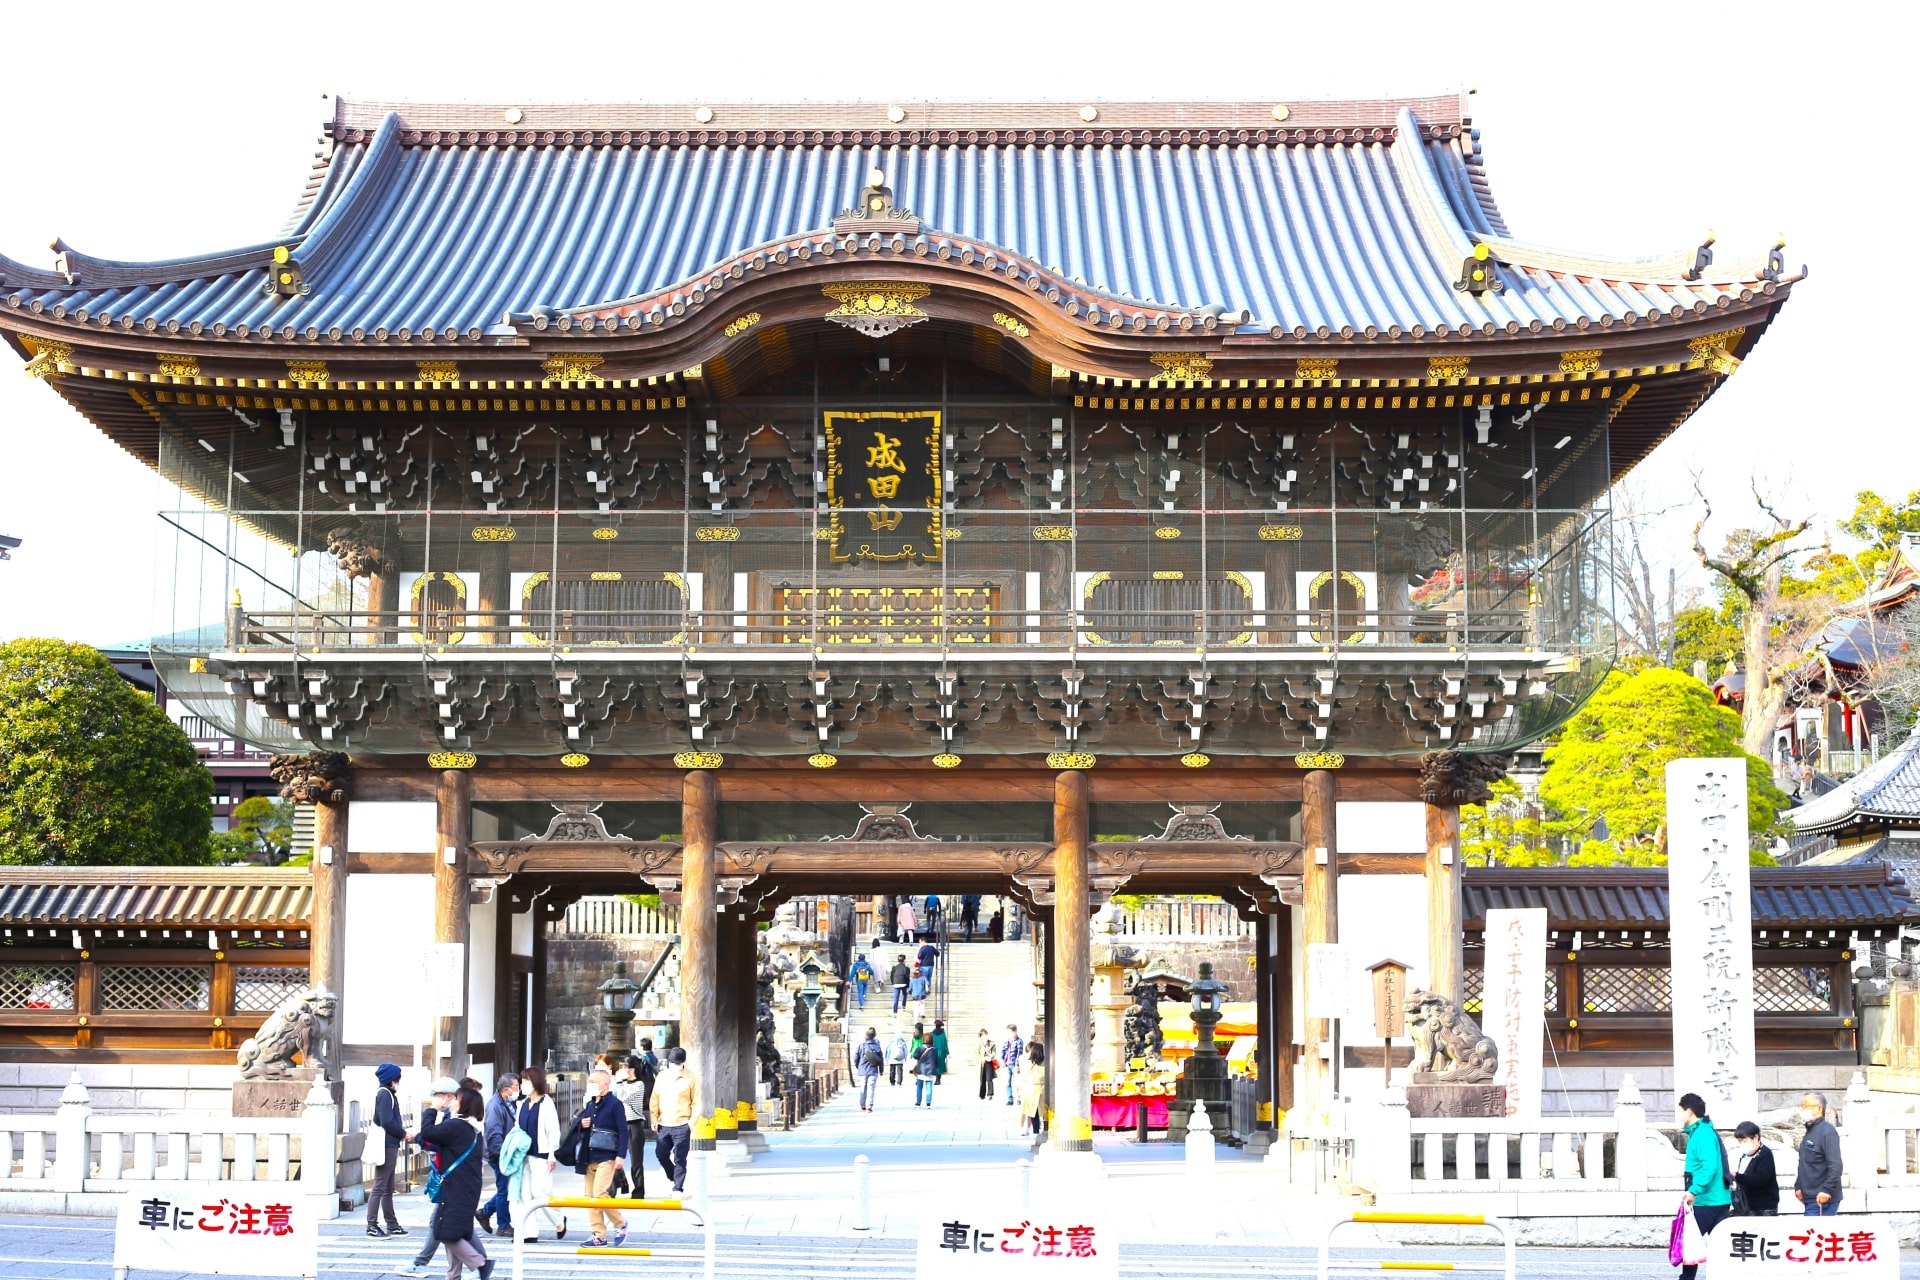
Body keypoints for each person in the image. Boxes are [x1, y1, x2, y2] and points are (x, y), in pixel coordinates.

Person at [409, 1079, 492, 1280]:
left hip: (457, 1187)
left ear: (464, 1104)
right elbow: (437, 1143)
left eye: (457, 1098)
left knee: (445, 1232)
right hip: (466, 1186)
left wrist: (433, 1109)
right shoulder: (471, 1128)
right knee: (459, 1231)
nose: (452, 1101)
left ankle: (481, 1263)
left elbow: (429, 1132)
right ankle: (453, 1276)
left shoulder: (456, 1125)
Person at [1676, 1091, 1732, 1280]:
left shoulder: (1701, 1134)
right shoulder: (1704, 1131)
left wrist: (1694, 1190)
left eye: (1681, 1111)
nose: (1680, 1115)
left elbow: (1709, 1167)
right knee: (1720, 1247)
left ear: (1689, 1112)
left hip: (1706, 1200)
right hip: (1715, 1199)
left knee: (1691, 1245)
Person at [576, 1066, 629, 1249]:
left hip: (607, 1156)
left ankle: (620, 1223)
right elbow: (586, 1129)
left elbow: (623, 1130)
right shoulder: (590, 1104)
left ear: (605, 1084)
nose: (589, 1085)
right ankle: (598, 1234)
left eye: (593, 1082)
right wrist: (582, 1125)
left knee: (599, 1194)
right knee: (591, 1197)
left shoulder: (615, 1104)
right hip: (589, 1156)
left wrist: (621, 1155)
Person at [511, 1067, 566, 1244]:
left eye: (527, 1081)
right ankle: (529, 1232)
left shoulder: (546, 1103)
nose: (523, 1084)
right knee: (524, 1195)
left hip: (541, 1154)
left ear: (536, 1082)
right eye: (523, 1081)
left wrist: (552, 1154)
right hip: (523, 1155)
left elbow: (553, 1130)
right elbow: (517, 1128)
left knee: (540, 1192)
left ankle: (558, 1220)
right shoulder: (523, 1104)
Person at [366, 1063, 408, 1238]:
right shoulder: (385, 1095)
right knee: (380, 1186)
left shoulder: (386, 1094)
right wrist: (402, 1133)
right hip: (386, 1144)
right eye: (398, 1078)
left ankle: (392, 1224)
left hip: (390, 1143)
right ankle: (372, 1225)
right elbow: (386, 1121)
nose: (399, 1081)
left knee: (387, 1187)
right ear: (392, 1079)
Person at [651, 1045, 696, 1194]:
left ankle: (678, 1187)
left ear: (683, 1062)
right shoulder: (662, 1077)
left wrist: (691, 1122)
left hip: (682, 1123)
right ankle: (672, 1174)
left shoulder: (691, 1078)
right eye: (673, 1063)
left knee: (680, 1158)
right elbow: (654, 1098)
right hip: (664, 1123)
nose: (675, 1066)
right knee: (661, 1153)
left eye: (677, 1063)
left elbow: (698, 1101)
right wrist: (654, 1118)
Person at [477, 1074, 518, 1238]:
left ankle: (485, 1212)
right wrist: (501, 1155)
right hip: (499, 1154)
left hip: (506, 1152)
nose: (518, 1089)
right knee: (504, 1190)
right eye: (516, 1086)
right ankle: (503, 1225)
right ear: (506, 1089)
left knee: (506, 1188)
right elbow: (494, 1133)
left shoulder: (507, 1103)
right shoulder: (495, 1106)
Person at [1793, 1091, 1843, 1215]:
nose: (1802, 1109)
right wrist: (1798, 1186)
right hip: (1809, 1197)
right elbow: (1805, 1163)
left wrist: (1827, 1190)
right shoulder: (1810, 1131)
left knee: (1816, 1233)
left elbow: (1835, 1166)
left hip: (1822, 1198)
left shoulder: (1827, 1132)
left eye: (1805, 1106)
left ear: (1819, 1108)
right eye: (1801, 1106)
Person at [615, 1055, 652, 1200]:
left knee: (636, 1161)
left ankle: (638, 1190)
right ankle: (617, 1186)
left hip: (634, 1125)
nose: (623, 1069)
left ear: (633, 1069)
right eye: (621, 1066)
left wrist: (620, 1081)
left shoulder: (639, 1085)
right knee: (613, 1157)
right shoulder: (621, 1083)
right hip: (620, 1125)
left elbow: (622, 1097)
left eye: (625, 1066)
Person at [1732, 1121, 1779, 1215]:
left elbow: (1760, 1179)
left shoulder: (1765, 1154)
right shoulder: (1744, 1156)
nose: (1742, 1144)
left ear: (1756, 1137)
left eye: (1745, 1141)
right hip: (1747, 1206)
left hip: (1763, 1207)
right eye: (1740, 1141)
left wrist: (1737, 1176)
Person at [1020, 1042, 1048, 1137]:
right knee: (1041, 1112)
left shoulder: (1031, 1062)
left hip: (1032, 1089)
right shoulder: (1045, 1061)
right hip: (1040, 1089)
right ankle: (1041, 1129)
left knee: (1034, 1112)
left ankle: (1036, 1131)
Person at [853, 1026, 884, 1110]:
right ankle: (869, 1106)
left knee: (863, 1087)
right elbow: (881, 1059)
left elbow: (855, 1058)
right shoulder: (877, 1046)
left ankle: (862, 1105)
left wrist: (858, 1066)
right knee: (871, 1088)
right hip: (873, 1070)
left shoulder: (861, 1046)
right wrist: (881, 1070)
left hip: (862, 1069)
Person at [912, 1030, 939, 1106]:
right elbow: (936, 1060)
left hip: (921, 1069)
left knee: (919, 1087)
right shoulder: (934, 1049)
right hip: (931, 1070)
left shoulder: (920, 1048)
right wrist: (936, 1068)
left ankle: (918, 1102)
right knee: (929, 1086)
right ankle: (928, 1102)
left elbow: (915, 1056)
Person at [1000, 1025, 1024, 1106]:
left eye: (1010, 1032)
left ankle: (1019, 1098)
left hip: (1014, 1065)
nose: (1009, 1034)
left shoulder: (1019, 1041)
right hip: (1007, 1064)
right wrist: (1003, 1060)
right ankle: (1010, 1099)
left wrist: (1018, 1065)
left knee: (1018, 1082)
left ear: (1015, 1031)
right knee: (1007, 1082)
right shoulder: (1006, 1041)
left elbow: (1019, 1054)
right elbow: (1003, 1051)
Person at [976, 1028, 998, 1101]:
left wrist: (991, 1057)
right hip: (982, 1063)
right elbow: (977, 1052)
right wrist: (983, 1057)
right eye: (983, 1035)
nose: (985, 1037)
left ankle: (990, 1094)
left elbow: (994, 1052)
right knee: (982, 1079)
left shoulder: (992, 1043)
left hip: (989, 1062)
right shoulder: (979, 1043)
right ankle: (982, 1094)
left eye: (986, 1035)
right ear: (981, 1036)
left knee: (989, 1078)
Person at [931, 1019, 950, 1084]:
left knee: (935, 1065)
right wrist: (947, 1052)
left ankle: (936, 1078)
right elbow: (945, 1043)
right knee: (940, 1065)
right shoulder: (943, 1034)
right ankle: (938, 1079)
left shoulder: (932, 1033)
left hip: (934, 1051)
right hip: (941, 1051)